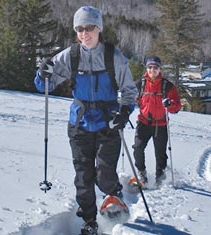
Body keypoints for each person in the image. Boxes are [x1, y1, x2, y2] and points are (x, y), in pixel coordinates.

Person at [34, 6, 137, 235]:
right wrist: (43, 74)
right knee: (83, 176)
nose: (84, 33)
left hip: (108, 123)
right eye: (79, 29)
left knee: (104, 172)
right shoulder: (70, 56)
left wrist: (124, 111)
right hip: (79, 123)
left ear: (98, 29)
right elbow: (44, 86)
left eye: (89, 28)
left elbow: (129, 91)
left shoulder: (113, 57)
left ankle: (113, 194)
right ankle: (89, 220)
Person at [133, 56, 181, 187]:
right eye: (149, 67)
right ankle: (142, 174)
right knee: (138, 149)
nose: (152, 70)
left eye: (155, 67)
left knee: (160, 154)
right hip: (143, 122)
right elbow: (129, 98)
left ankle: (160, 179)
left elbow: (177, 107)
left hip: (160, 124)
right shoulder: (140, 84)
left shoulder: (167, 86)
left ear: (160, 69)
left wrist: (170, 104)